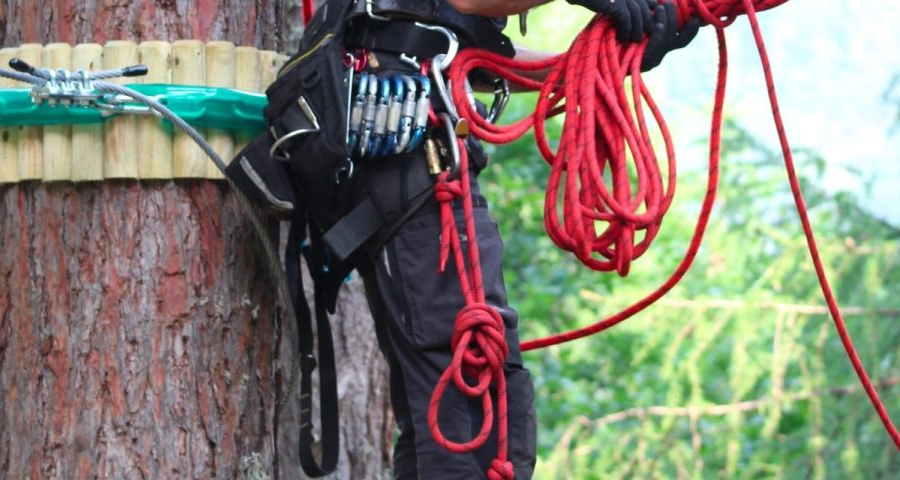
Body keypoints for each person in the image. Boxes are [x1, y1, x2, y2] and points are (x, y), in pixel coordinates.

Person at [231, 0, 697, 477]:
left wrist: (600, 57)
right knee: (473, 418)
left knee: (453, 417)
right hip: (415, 170)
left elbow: (468, 50)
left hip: (403, 162)